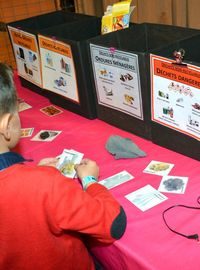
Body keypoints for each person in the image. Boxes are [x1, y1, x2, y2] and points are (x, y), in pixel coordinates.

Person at [0, 63, 127, 270]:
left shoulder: (37, 181)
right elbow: (114, 224)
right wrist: (89, 181)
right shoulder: (42, 184)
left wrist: (31, 175)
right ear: (6, 126)